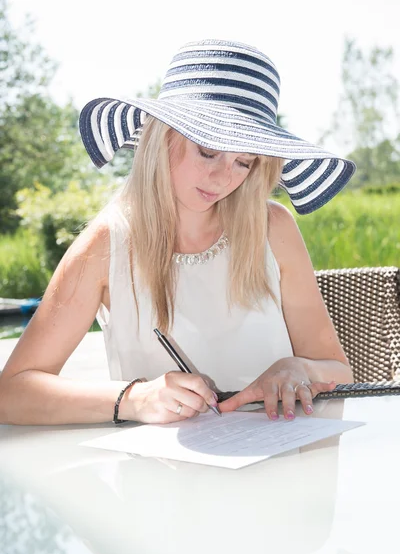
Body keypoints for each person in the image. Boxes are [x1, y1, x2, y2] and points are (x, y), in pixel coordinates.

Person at [0, 39, 355, 426]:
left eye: (244, 162)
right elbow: (12, 393)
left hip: (282, 463)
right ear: (161, 136)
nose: (223, 178)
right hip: (162, 478)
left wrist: (298, 368)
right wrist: (134, 398)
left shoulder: (274, 228)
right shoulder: (106, 245)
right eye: (208, 152)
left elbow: (337, 370)